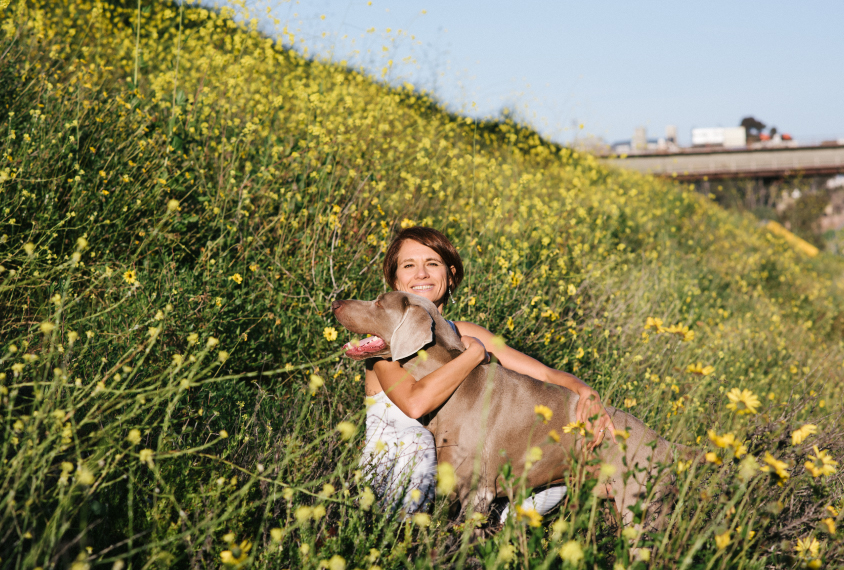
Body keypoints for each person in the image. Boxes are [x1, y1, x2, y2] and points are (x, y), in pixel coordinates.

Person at [361, 227, 616, 520]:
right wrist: (472, 356)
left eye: (432, 263)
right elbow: (415, 404)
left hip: (458, 474)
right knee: (418, 446)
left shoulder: (468, 333)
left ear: (451, 274)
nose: (421, 274)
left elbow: (544, 374)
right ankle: (403, 543)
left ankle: (495, 532)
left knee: (554, 471)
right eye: (409, 265)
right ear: (395, 281)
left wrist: (586, 392)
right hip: (399, 468)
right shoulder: (383, 337)